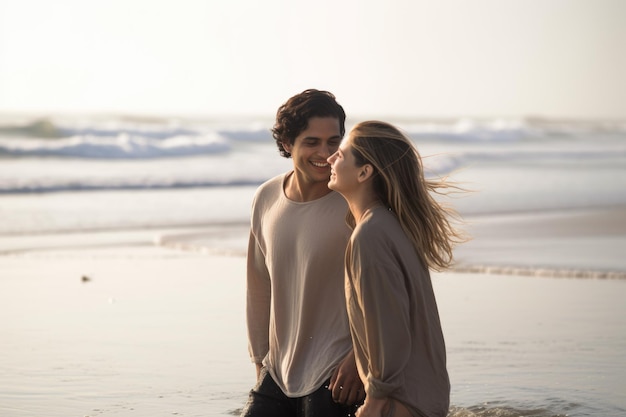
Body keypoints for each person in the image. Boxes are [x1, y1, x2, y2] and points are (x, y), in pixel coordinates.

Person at [327, 121, 464, 417]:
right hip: (423, 398)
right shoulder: (391, 226)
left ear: (364, 172)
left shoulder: (370, 235)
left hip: (399, 405)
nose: (329, 159)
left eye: (340, 155)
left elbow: (390, 331)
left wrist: (375, 400)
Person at [242, 89, 365, 417]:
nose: (325, 153)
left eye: (333, 141)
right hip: (278, 371)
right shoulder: (266, 197)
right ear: (287, 144)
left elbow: (390, 290)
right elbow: (258, 286)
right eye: (312, 142)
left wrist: (360, 357)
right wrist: (259, 361)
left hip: (338, 370)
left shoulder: (356, 202)